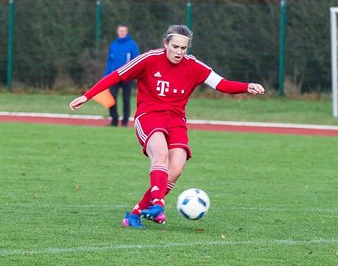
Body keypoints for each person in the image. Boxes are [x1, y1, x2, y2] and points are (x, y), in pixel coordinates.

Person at [69, 24, 265, 227]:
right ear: (166, 44)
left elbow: (221, 84)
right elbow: (117, 75)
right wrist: (87, 96)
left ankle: (134, 215)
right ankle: (158, 205)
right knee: (160, 153)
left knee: (177, 168)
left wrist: (246, 87)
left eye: (183, 48)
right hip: (149, 116)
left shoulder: (194, 66)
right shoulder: (150, 59)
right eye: (175, 47)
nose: (179, 52)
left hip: (176, 121)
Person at [104, 23, 140, 126]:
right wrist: (106, 75)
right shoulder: (113, 44)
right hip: (114, 76)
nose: (121, 33)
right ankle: (114, 120)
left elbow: (136, 61)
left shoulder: (132, 45)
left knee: (126, 99)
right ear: (117, 32)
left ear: (126, 32)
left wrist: (133, 75)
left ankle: (124, 122)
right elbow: (109, 61)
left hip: (127, 77)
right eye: (120, 31)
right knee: (111, 98)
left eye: (123, 31)